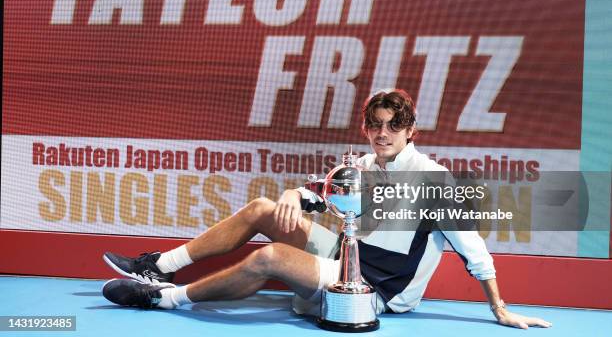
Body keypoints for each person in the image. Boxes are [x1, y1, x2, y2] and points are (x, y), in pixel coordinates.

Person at [102, 90, 551, 329]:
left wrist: (500, 309)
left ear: (412, 131)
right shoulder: (362, 165)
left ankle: (162, 300)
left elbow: (473, 249)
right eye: (375, 125)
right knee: (264, 205)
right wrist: (295, 195)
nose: (383, 132)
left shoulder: (435, 180)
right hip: (343, 254)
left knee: (269, 258)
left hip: (378, 291)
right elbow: (320, 191)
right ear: (366, 128)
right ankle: (160, 266)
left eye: (394, 126)